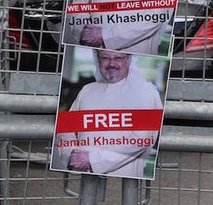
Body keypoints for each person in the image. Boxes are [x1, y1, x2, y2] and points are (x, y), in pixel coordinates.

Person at [53, 49, 163, 178]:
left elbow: (142, 140)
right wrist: (71, 154)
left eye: (118, 58)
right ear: (98, 59)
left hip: (126, 178)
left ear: (129, 59)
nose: (111, 64)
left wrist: (92, 160)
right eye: (105, 57)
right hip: (84, 173)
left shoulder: (146, 93)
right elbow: (66, 128)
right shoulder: (87, 90)